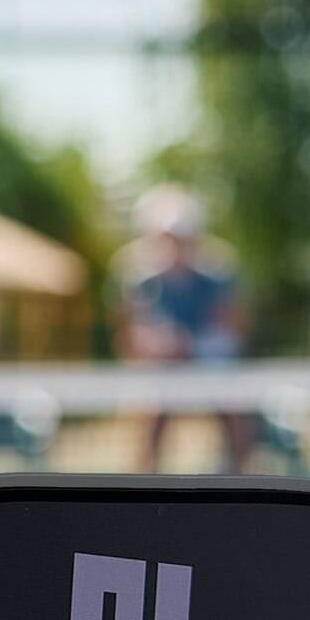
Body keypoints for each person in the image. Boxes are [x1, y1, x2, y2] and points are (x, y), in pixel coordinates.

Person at [114, 185, 253, 473]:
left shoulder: (217, 276)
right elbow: (130, 336)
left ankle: (242, 482)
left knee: (236, 411)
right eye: (166, 237)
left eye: (180, 238)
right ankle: (141, 489)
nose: (173, 245)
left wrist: (191, 345)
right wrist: (153, 347)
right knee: (149, 417)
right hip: (161, 373)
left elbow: (232, 328)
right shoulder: (139, 280)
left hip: (210, 367)